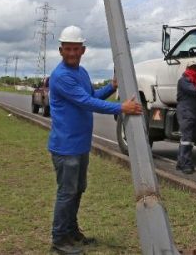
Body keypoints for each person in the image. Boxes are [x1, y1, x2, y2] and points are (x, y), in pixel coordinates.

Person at [47, 25, 144, 255]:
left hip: (80, 145)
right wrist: (122, 107)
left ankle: (71, 232)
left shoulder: (81, 73)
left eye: (76, 49)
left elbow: (92, 95)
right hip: (65, 147)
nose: (72, 53)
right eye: (68, 49)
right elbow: (86, 102)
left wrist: (111, 87)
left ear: (83, 50)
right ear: (61, 50)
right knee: (67, 192)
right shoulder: (60, 76)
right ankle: (59, 240)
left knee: (78, 189)